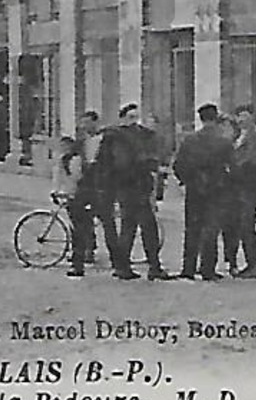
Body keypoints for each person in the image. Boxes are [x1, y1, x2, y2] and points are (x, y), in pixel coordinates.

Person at [98, 103, 171, 281]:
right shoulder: (121, 137)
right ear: (123, 118)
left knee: (129, 227)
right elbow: (122, 162)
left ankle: (124, 267)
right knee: (146, 227)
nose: (134, 122)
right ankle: (152, 266)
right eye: (131, 117)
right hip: (132, 186)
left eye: (135, 118)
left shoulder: (121, 136)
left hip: (130, 186)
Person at [171, 104, 235, 281]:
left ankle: (188, 268)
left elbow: (178, 165)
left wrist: (187, 181)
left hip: (194, 190)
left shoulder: (190, 140)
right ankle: (208, 268)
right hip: (217, 191)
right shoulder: (224, 142)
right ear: (215, 119)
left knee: (192, 228)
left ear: (201, 119)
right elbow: (233, 167)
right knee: (211, 229)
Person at [64, 111, 115, 277]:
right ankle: (77, 264)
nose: (84, 127)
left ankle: (119, 263)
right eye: (82, 124)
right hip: (84, 189)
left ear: (96, 123)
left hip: (102, 189)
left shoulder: (108, 141)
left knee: (109, 225)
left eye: (87, 123)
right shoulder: (80, 143)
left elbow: (113, 164)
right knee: (79, 227)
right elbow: (68, 159)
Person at [226, 105, 256, 279]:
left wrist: (231, 168)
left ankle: (253, 264)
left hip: (249, 189)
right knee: (232, 226)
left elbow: (253, 160)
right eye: (239, 117)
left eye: (244, 116)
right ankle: (232, 263)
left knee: (247, 226)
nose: (241, 120)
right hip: (233, 189)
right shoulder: (235, 137)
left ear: (252, 118)